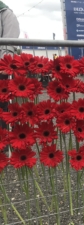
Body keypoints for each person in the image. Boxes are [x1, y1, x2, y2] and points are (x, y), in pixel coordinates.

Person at [0, 2, 20, 151]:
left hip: (0, 70)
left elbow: (9, 42)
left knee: (2, 109)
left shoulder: (5, 14)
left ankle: (3, 145)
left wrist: (4, 66)